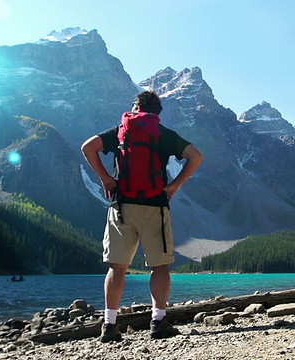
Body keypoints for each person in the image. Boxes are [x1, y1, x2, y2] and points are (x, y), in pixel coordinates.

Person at [81, 91, 203, 342]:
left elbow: (87, 147)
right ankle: (158, 322)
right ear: (158, 112)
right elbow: (196, 156)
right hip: (154, 207)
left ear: (135, 108)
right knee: (159, 266)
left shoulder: (121, 131)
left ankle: (109, 325)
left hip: (121, 206)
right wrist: (174, 186)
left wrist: (106, 177)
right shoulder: (163, 133)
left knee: (117, 267)